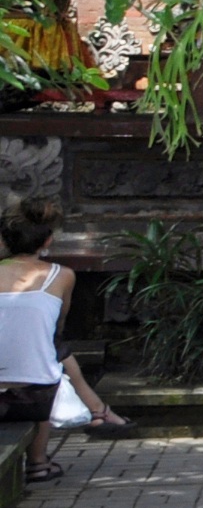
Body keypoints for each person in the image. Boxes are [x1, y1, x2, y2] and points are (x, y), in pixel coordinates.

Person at [0, 199, 127, 479]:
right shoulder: (61, 276)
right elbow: (58, 326)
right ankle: (38, 462)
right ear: (48, 240)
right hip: (31, 399)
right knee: (47, 360)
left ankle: (98, 411)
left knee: (46, 356)